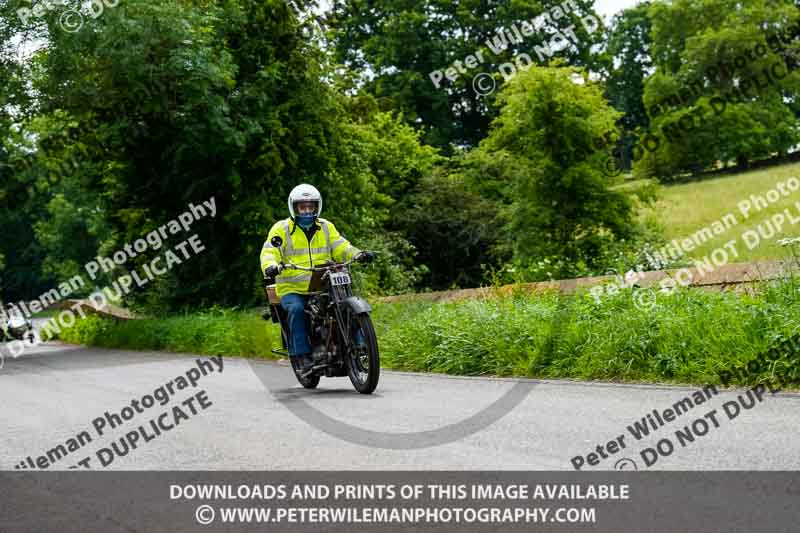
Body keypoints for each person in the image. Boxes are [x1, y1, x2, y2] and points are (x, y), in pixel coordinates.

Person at [260, 184, 375, 371]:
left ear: (317, 207)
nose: (307, 211)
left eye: (310, 206)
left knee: (344, 303)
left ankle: (360, 344)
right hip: (292, 288)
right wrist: (271, 266)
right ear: (294, 207)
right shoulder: (281, 229)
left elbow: (341, 246)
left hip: (322, 283)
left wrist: (357, 254)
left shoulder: (326, 227)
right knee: (297, 309)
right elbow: (269, 252)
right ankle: (302, 356)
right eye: (302, 207)